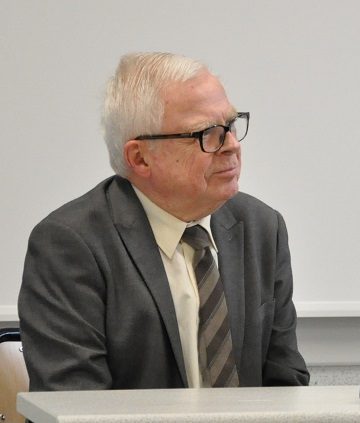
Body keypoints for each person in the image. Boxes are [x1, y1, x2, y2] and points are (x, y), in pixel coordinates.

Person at [18, 52, 309, 390]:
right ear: (140, 158)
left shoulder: (261, 227)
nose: (231, 146)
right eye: (206, 134)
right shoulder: (71, 244)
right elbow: (75, 403)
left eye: (231, 126)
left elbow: (285, 382)